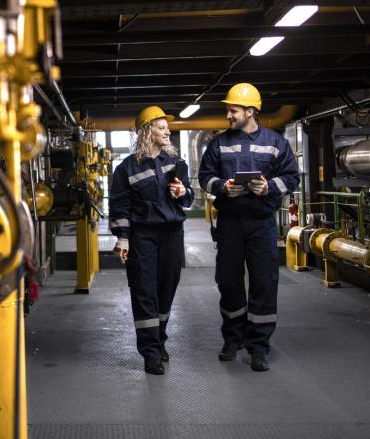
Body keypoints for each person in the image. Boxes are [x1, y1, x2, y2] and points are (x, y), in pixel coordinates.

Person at [198, 83, 299, 372]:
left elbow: (291, 178)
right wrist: (222, 187)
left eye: (233, 110)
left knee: (264, 282)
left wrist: (268, 187)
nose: (228, 115)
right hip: (230, 222)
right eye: (228, 110)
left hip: (261, 223)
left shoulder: (276, 142)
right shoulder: (219, 143)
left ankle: (259, 346)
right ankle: (233, 338)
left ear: (250, 111)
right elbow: (205, 176)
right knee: (228, 281)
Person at [109, 106, 194, 375]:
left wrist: (183, 192)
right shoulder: (126, 168)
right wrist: (123, 238)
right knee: (145, 292)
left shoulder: (176, 163)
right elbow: (120, 206)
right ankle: (150, 353)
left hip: (172, 234)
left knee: (166, 290)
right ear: (147, 132)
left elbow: (188, 198)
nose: (167, 130)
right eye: (160, 126)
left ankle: (160, 339)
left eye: (166, 127)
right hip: (142, 236)